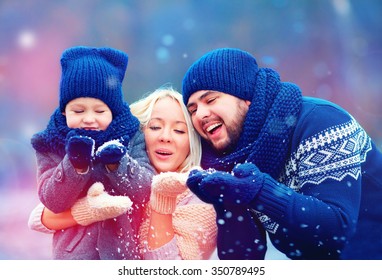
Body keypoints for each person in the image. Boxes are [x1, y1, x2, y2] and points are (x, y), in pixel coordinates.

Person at [181, 47, 382, 260]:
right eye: (192, 110)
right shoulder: (237, 154)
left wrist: (259, 192)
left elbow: (336, 229)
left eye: (210, 100)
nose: (201, 114)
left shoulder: (321, 123)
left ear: (247, 97)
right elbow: (244, 260)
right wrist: (227, 202)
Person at [29, 87, 218, 260]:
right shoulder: (116, 170)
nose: (165, 137)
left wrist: (162, 198)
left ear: (192, 142)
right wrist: (89, 210)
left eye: (179, 130)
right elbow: (39, 217)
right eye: (154, 127)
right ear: (138, 133)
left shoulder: (199, 198)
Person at [29, 46, 154, 260]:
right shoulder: (49, 143)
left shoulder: (132, 136)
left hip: (124, 253)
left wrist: (117, 164)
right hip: (75, 256)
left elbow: (146, 189)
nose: (88, 118)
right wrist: (75, 165)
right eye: (78, 111)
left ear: (112, 112)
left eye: (99, 111)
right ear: (63, 111)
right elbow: (52, 201)